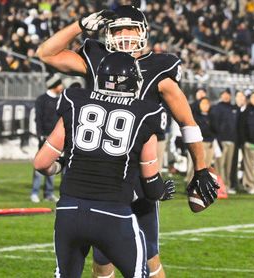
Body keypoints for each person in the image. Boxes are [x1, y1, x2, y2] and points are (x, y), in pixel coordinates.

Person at [37, 6, 218, 278]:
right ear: (107, 33)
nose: (124, 35)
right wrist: (79, 26)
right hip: (97, 175)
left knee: (149, 257)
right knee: (102, 260)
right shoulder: (98, 60)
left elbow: (187, 123)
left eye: (130, 28)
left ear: (143, 31)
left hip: (138, 176)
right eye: (118, 29)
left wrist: (201, 168)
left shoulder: (159, 69)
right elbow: (45, 54)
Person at [34, 52, 175, 278]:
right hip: (113, 213)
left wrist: (60, 165)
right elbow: (150, 181)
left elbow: (41, 163)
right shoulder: (146, 113)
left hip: (69, 211)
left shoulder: (74, 100)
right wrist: (160, 192)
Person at [30, 74, 64, 203]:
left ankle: (48, 193)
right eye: (59, 84)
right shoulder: (42, 100)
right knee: (40, 165)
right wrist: (40, 135)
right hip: (45, 138)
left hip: (57, 139)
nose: (62, 86)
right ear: (54, 85)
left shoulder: (61, 99)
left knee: (53, 165)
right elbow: (38, 118)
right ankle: (35, 192)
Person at [210, 89, 239, 194]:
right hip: (220, 140)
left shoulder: (234, 108)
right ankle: (218, 187)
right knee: (219, 165)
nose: (226, 96)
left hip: (231, 140)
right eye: (224, 94)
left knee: (228, 165)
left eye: (228, 95)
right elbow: (213, 124)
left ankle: (226, 186)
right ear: (221, 95)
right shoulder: (216, 108)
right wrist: (217, 138)